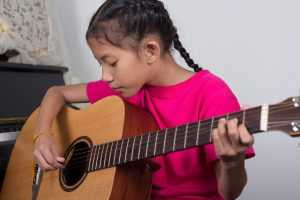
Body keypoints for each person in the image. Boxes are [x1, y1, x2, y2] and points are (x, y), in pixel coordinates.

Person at [33, 0, 255, 199]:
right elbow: (56, 93)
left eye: (111, 62)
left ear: (150, 51)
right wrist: (42, 135)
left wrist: (232, 162)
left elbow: (229, 193)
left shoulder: (211, 94)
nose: (105, 76)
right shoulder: (125, 88)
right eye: (101, 64)